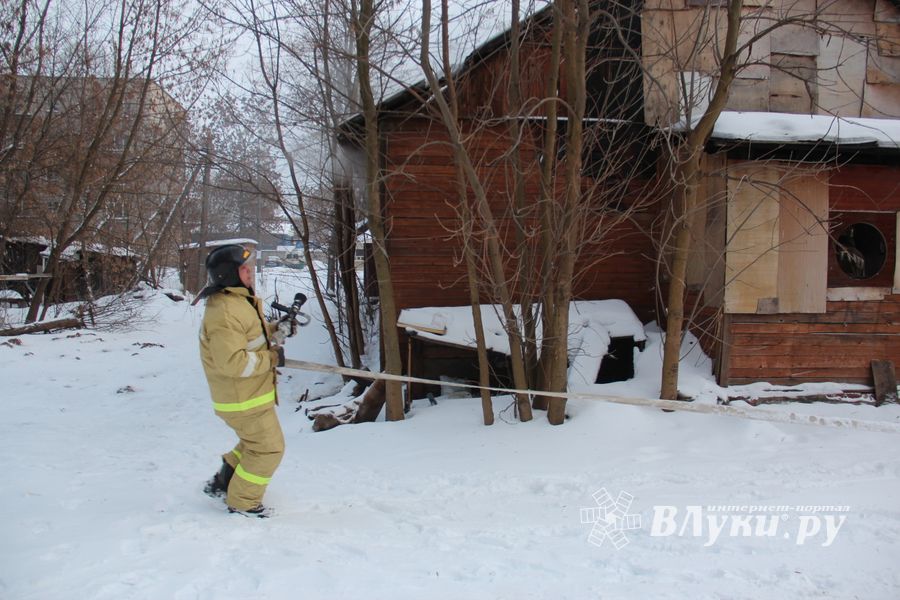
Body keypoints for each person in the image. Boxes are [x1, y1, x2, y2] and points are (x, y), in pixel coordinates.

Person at [196, 244, 295, 517]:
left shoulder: (238, 301)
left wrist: (278, 329)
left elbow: (252, 338)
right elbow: (233, 362)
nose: (250, 273)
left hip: (249, 394)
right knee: (268, 449)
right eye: (244, 269)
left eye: (250, 268)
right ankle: (244, 502)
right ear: (228, 274)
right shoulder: (225, 312)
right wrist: (272, 359)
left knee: (253, 443)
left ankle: (223, 481)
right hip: (242, 398)